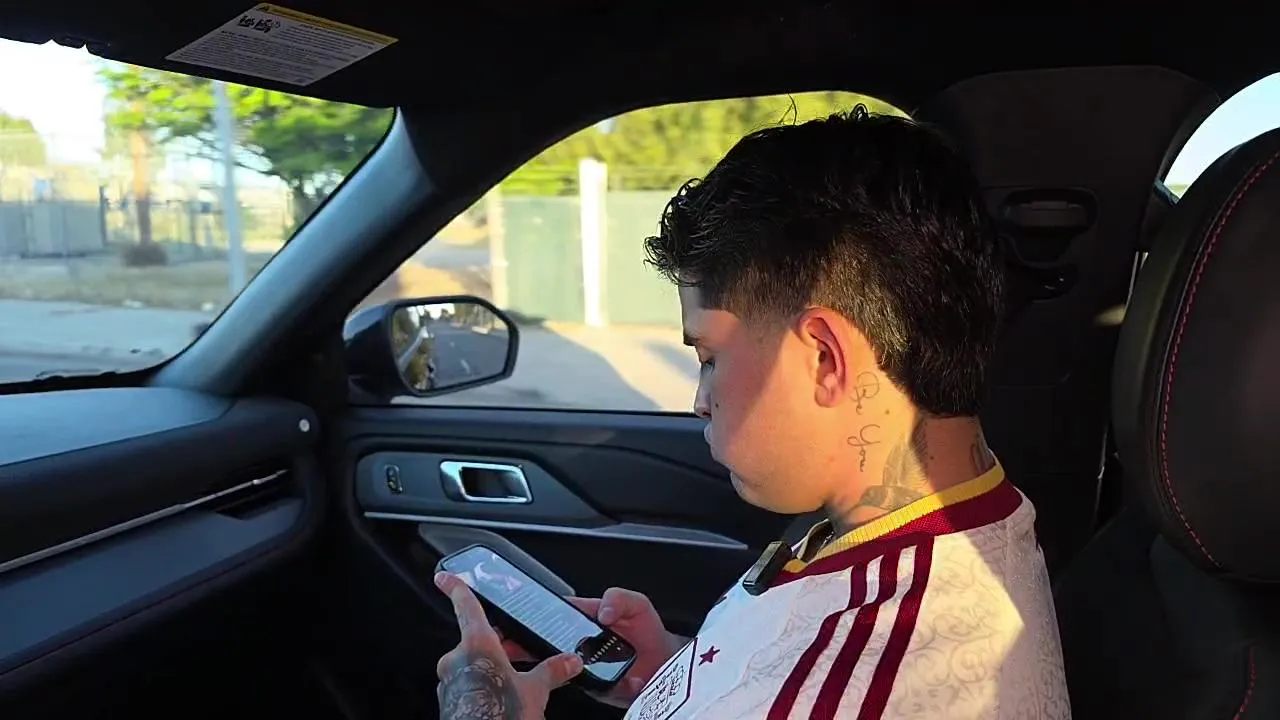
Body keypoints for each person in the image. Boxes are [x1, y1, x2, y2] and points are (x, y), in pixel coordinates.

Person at [432, 108, 1070, 719]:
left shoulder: (860, 682)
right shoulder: (968, 516)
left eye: (709, 357)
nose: (699, 399)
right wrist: (669, 674)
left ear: (823, 358)